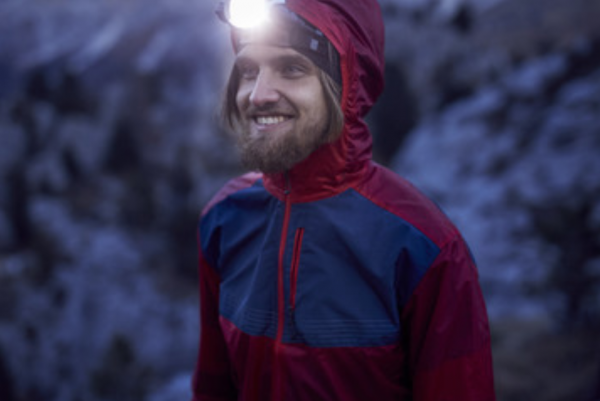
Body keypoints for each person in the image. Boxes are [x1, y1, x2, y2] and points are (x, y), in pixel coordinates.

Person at [192, 0, 496, 400]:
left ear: (346, 85)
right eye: (248, 71)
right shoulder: (223, 218)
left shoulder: (425, 247)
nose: (258, 95)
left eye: (292, 68)